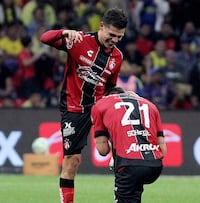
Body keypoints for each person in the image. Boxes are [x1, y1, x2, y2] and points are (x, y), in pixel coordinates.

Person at [40, 8, 128, 203]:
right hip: (74, 110)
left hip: (100, 108)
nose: (114, 40)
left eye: (119, 37)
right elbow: (45, 38)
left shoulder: (117, 57)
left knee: (122, 154)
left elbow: (110, 86)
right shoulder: (78, 40)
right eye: (112, 35)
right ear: (102, 26)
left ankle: (122, 194)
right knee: (71, 163)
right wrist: (64, 32)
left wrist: (121, 97)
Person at [91, 87, 166, 203]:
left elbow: (103, 150)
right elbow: (163, 149)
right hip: (155, 166)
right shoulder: (150, 105)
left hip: (128, 165)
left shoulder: (101, 105)